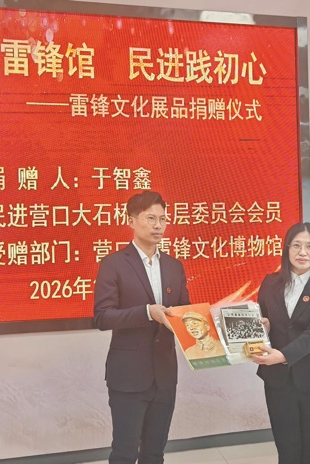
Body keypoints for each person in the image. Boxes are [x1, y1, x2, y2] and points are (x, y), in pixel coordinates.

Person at [94, 191, 190, 464]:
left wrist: (210, 321)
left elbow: (184, 313)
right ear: (131, 221)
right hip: (128, 376)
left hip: (165, 376)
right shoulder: (113, 264)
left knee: (154, 454)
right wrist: (147, 312)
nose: (158, 225)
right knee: (124, 454)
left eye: (163, 219)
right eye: (151, 218)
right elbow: (103, 317)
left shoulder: (174, 266)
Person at [251, 222, 310, 464]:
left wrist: (282, 356)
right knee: (287, 449)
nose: (303, 252)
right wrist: (264, 327)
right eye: (297, 246)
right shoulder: (270, 282)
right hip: (278, 382)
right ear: (287, 249)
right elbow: (263, 319)